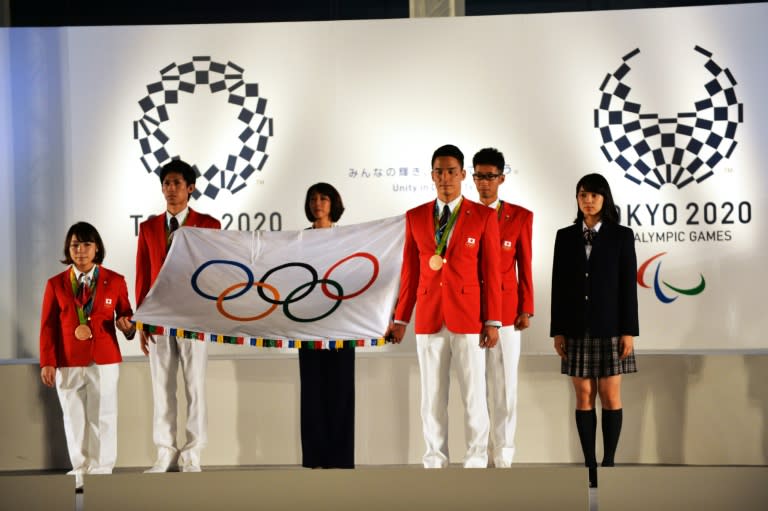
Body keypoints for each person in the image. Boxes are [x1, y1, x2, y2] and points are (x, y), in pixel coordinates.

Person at [386, 144, 502, 468]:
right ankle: (434, 462)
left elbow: (491, 273)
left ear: (463, 175)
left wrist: (492, 321)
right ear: (432, 175)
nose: (445, 178)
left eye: (452, 171)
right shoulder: (415, 216)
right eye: (439, 171)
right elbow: (409, 273)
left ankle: (476, 461)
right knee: (432, 398)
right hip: (428, 316)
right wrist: (401, 319)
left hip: (468, 318)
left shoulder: (483, 216)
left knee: (474, 396)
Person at [550, 173, 638, 488]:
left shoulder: (621, 235)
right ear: (577, 199)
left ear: (605, 199)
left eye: (595, 195)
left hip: (612, 327)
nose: (588, 200)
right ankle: (589, 466)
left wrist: (628, 330)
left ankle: (609, 462)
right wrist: (557, 330)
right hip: (575, 328)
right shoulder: (565, 236)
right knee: (584, 394)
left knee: (609, 394)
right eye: (583, 194)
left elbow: (628, 287)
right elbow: (558, 286)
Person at [135, 159, 221, 473]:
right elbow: (143, 274)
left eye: (177, 183)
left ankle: (193, 452)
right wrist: (141, 318)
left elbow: (216, 273)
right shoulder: (147, 227)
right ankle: (165, 451)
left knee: (195, 386)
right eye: (166, 183)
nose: (171, 189)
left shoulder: (209, 224)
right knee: (162, 386)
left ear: (191, 187)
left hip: (194, 317)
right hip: (158, 316)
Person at [39, 222, 136, 490]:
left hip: (104, 359)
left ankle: (102, 468)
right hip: (67, 359)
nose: (80, 250)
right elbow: (48, 326)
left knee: (104, 414)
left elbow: (126, 315)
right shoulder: (55, 284)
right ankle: (80, 467)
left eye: (86, 245)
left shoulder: (115, 280)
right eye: (75, 245)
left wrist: (128, 327)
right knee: (73, 416)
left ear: (97, 248)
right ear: (68, 249)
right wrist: (47, 362)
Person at [471, 148, 534, 468]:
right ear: (472, 177)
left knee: (505, 384)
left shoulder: (520, 216)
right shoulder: (462, 215)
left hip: (508, 313)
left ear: (502, 178)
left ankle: (504, 453)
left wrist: (527, 307)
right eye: (479, 176)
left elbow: (525, 264)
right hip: (469, 312)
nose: (485, 182)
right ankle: (478, 453)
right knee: (474, 387)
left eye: (490, 176)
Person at [298, 182, 355, 468]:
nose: (317, 203)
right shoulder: (298, 240)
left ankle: (341, 458)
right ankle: (315, 457)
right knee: (312, 392)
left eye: (323, 198)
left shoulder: (349, 239)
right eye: (313, 198)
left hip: (342, 325)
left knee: (341, 391)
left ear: (334, 203)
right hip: (308, 325)